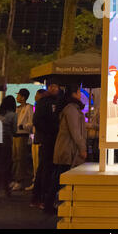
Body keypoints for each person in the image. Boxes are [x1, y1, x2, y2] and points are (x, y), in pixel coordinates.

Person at [44, 84, 87, 214]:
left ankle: (51, 204)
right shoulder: (71, 109)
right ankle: (50, 205)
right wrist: (82, 148)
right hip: (67, 150)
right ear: (74, 94)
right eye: (79, 91)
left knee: (59, 178)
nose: (80, 94)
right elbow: (75, 131)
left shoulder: (72, 108)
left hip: (67, 149)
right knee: (60, 178)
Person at [32, 83, 60, 208]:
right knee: (45, 168)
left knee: (44, 168)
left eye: (56, 86)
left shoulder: (56, 101)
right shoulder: (45, 103)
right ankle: (41, 198)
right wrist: (51, 131)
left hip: (50, 139)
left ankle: (37, 198)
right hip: (47, 140)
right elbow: (37, 121)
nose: (54, 89)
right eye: (51, 86)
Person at [12, 88, 33, 191]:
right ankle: (15, 179)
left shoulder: (28, 107)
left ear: (23, 97)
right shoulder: (17, 108)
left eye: (19, 95)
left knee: (20, 158)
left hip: (22, 135)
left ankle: (19, 181)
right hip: (15, 135)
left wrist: (23, 126)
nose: (17, 97)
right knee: (15, 157)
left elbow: (31, 122)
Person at [0, 95, 17, 198]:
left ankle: (5, 189)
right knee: (4, 166)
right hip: (6, 142)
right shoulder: (13, 115)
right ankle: (5, 189)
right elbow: (14, 131)